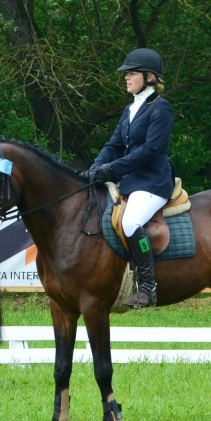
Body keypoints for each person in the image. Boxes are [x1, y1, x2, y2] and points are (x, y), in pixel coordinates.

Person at [81, 48, 175, 308]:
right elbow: (113, 145)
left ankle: (148, 287)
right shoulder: (130, 109)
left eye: (132, 73)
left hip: (153, 181)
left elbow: (150, 150)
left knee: (131, 222)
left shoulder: (161, 108)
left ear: (149, 77)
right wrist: (95, 168)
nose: (126, 77)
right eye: (127, 74)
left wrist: (112, 170)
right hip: (131, 180)